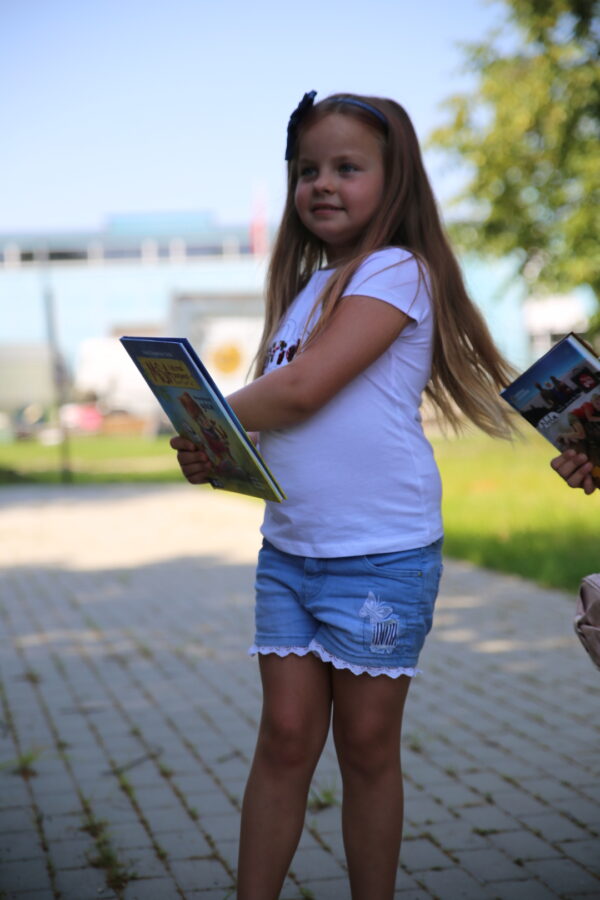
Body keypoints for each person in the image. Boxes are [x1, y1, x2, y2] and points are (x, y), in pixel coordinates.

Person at [170, 91, 515, 900]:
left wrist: (201, 411)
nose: (321, 184)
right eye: (307, 170)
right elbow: (287, 424)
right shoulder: (306, 289)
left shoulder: (397, 271)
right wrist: (221, 450)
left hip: (380, 557)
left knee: (365, 748)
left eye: (346, 168)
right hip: (290, 552)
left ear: (395, 182)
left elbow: (302, 392)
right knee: (285, 739)